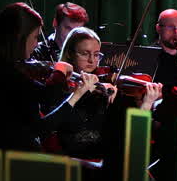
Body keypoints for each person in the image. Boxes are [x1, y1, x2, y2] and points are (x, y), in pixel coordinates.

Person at [0, 2, 100, 151]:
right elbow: (47, 100)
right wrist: (60, 72)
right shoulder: (3, 72)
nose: (36, 44)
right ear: (19, 37)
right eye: (34, 37)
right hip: (15, 156)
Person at [50, 25, 162, 160]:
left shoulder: (106, 90)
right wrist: (82, 92)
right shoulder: (60, 84)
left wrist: (146, 104)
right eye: (85, 54)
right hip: (72, 159)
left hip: (104, 160)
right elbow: (57, 125)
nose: (92, 60)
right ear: (69, 53)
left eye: (96, 54)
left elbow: (128, 137)